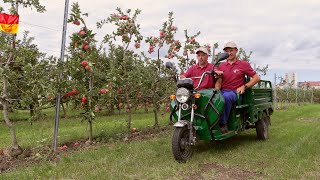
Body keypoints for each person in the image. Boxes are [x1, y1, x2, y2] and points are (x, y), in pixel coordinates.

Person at [217, 41, 260, 133]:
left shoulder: (243, 64)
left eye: (231, 50)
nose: (229, 53)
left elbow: (256, 78)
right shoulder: (221, 65)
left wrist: (244, 86)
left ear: (236, 51)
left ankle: (223, 124)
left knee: (226, 97)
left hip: (235, 92)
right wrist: (216, 88)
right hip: (223, 91)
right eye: (227, 51)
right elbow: (219, 81)